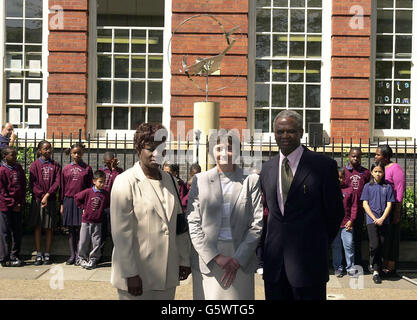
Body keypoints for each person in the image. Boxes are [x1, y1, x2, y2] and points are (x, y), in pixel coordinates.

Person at [259, 110, 344, 300]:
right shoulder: (267, 168)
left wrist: (316, 242)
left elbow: (335, 212)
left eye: (290, 131)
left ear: (301, 132)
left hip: (309, 264)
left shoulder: (323, 166)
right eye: (279, 132)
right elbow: (269, 213)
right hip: (275, 267)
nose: (284, 136)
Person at [110, 123, 191, 300]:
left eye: (161, 148)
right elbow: (121, 234)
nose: (156, 154)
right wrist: (130, 273)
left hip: (167, 274)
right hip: (138, 274)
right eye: (150, 148)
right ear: (139, 149)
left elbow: (179, 224)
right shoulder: (125, 181)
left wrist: (184, 259)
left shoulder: (170, 180)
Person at [187, 130, 264, 300]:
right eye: (218, 148)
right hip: (208, 257)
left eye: (229, 148)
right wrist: (215, 256)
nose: (223, 153)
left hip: (240, 256)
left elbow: (256, 223)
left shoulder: (251, 180)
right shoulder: (200, 180)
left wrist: (237, 259)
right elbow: (193, 223)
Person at [361, 163, 395, 284]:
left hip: (384, 220)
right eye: (375, 171)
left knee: (382, 244)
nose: (378, 174)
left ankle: (377, 269)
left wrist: (382, 218)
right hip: (371, 220)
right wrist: (374, 217)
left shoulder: (387, 187)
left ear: (383, 173)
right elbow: (365, 204)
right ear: (371, 172)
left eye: (380, 171)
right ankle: (374, 268)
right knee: (375, 245)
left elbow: (389, 204)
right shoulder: (367, 186)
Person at [28, 140, 61, 265]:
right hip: (38, 201)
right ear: (39, 150)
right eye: (45, 148)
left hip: (50, 200)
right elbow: (33, 183)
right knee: (37, 227)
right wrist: (42, 196)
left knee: (49, 227)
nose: (48, 151)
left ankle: (47, 253)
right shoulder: (34, 165)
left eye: (49, 148)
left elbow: (57, 183)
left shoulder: (55, 165)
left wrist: (47, 195)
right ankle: (38, 253)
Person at [375, 145, 406, 277]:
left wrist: (397, 212)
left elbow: (399, 191)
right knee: (383, 238)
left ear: (386, 156)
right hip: (381, 207)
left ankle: (391, 267)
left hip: (393, 208)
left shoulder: (396, 168)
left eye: (378, 154)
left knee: (392, 238)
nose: (375, 156)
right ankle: (382, 264)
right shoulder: (380, 168)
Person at [60, 143, 93, 265]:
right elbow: (62, 187)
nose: (77, 155)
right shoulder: (66, 169)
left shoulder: (87, 168)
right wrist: (62, 204)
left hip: (82, 202)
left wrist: (87, 204)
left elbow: (90, 187)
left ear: (82, 153)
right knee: (71, 230)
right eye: (74, 153)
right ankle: (72, 255)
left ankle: (80, 255)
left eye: (79, 152)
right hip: (69, 201)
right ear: (71, 154)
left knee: (81, 229)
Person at [75, 170, 109, 270]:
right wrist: (83, 207)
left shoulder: (105, 194)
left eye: (104, 182)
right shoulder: (88, 192)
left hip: (98, 222)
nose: (102, 184)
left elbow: (107, 204)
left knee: (96, 242)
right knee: (83, 241)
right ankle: (81, 259)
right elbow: (76, 197)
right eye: (100, 181)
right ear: (94, 181)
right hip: (86, 221)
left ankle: (93, 259)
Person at [343, 147, 371, 267]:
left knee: (357, 238)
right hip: (346, 211)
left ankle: (358, 263)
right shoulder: (344, 171)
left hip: (359, 209)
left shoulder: (365, 172)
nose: (355, 158)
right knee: (345, 239)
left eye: (358, 156)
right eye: (353, 156)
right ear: (349, 157)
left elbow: (369, 189)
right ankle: (345, 263)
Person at [0, 147, 26, 267]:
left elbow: (22, 185)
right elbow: (2, 191)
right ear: (5, 156)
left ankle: (14, 255)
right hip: (5, 206)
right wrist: (12, 203)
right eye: (12, 155)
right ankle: (4, 258)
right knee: (5, 232)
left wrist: (20, 202)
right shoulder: (2, 170)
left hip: (17, 205)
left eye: (15, 155)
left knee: (17, 231)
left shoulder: (18, 168)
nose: (15, 158)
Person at [332, 169, 358, 278]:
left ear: (345, 177)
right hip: (334, 224)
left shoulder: (350, 190)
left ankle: (350, 268)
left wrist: (351, 220)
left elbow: (354, 206)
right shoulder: (330, 190)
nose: (339, 179)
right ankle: (338, 268)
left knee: (349, 245)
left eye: (341, 177)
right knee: (336, 246)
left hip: (347, 223)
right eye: (337, 177)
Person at [99, 152, 123, 258]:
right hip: (103, 205)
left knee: (115, 232)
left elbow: (117, 183)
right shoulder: (101, 171)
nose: (109, 164)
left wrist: (113, 170)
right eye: (107, 163)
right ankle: (99, 254)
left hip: (115, 205)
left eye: (111, 162)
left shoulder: (120, 172)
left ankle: (116, 255)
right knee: (101, 232)